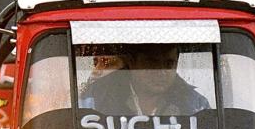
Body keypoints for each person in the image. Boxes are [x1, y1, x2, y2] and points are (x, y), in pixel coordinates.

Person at [80, 44, 211, 116]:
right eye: (152, 64)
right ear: (131, 62)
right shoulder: (93, 99)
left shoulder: (195, 104)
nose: (162, 72)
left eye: (169, 63)